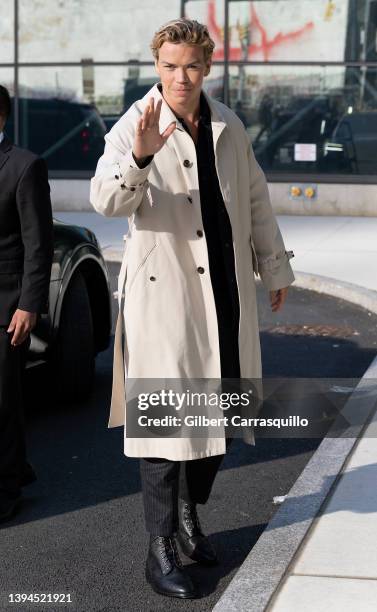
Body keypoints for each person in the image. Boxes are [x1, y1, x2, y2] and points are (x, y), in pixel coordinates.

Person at [90, 18, 294, 599]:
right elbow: (105, 199)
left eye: (191, 67)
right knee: (164, 429)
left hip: (224, 290)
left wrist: (273, 266)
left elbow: (254, 196)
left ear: (207, 68)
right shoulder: (136, 121)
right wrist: (140, 155)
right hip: (165, 294)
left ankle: (187, 515)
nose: (180, 78)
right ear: (158, 66)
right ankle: (159, 551)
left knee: (222, 416)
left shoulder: (227, 122)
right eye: (169, 66)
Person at [0, 85, 53, 522]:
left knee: (3, 401)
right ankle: (15, 468)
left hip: (5, 304)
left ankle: (6, 489)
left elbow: (39, 243)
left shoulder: (25, 166)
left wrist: (28, 304)